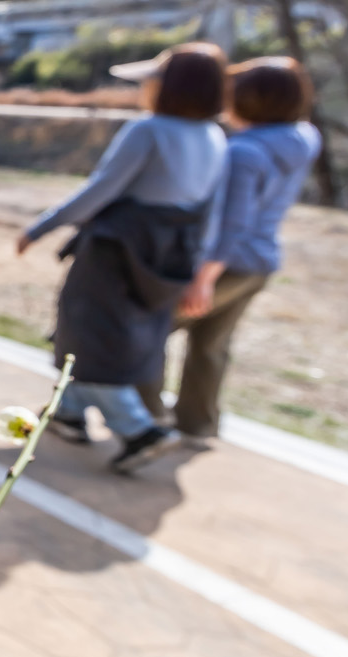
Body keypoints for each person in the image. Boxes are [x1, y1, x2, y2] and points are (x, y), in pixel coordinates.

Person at [17, 43, 229, 474]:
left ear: (169, 87)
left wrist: (42, 226)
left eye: (153, 78)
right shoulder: (215, 136)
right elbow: (213, 210)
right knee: (121, 335)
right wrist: (196, 268)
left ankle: (140, 432)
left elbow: (102, 189)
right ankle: (68, 414)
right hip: (169, 255)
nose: (145, 87)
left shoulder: (148, 131)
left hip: (119, 250)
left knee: (90, 335)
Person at [137, 57, 321, 441]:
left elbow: (233, 221)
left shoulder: (243, 154)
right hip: (261, 262)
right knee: (211, 345)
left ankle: (147, 423)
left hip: (225, 264)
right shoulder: (302, 138)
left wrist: (203, 278)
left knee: (147, 332)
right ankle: (197, 424)